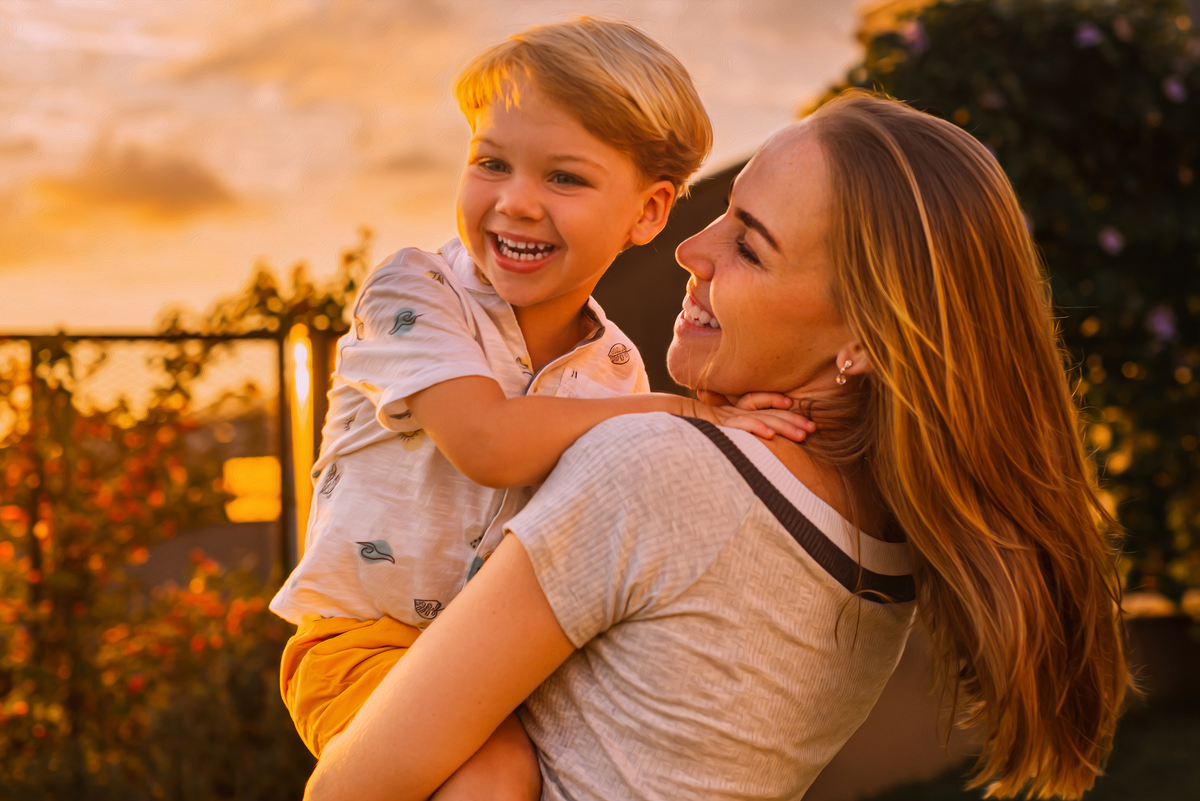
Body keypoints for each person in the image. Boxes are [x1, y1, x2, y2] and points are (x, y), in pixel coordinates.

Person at [304, 90, 1132, 801]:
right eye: (724, 213)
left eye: (750, 244)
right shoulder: (884, 553)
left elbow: (349, 788)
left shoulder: (657, 472)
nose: (690, 250)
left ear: (864, 339)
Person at [268, 14, 811, 790]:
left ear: (649, 213)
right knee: (493, 776)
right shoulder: (415, 292)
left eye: (564, 177)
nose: (516, 201)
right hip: (368, 641)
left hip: (507, 656)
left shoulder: (615, 365)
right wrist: (685, 412)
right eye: (491, 162)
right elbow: (488, 442)